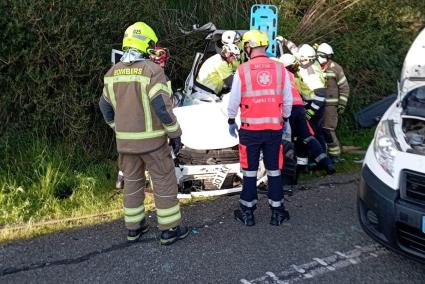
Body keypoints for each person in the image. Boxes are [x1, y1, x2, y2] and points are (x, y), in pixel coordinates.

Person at [99, 22, 189, 245]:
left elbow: (104, 106)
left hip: (125, 144)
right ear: (147, 44)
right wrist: (175, 133)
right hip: (152, 143)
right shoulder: (152, 70)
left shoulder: (112, 73)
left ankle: (134, 228)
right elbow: (161, 106)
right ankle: (169, 229)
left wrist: (116, 127)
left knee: (132, 182)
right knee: (163, 181)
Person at [227, 30, 293, 226]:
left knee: (249, 172)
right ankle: (277, 212)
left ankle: (247, 213)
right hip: (274, 129)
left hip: (250, 131)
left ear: (248, 47)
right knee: (274, 170)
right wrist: (286, 119)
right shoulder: (280, 68)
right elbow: (287, 99)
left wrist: (231, 120)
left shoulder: (243, 70)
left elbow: (234, 100)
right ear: (265, 46)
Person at [115, 46, 173, 190]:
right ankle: (148, 180)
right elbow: (166, 100)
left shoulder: (137, 73)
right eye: (161, 63)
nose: (163, 66)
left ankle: (123, 179)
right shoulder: (161, 77)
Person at [280, 54, 335, 177]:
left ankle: (290, 172)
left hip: (287, 108)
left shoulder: (279, 74)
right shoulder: (292, 76)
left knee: (287, 140)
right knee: (306, 137)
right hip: (300, 107)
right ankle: (326, 163)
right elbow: (303, 91)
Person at [316, 43, 350, 162]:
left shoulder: (336, 68)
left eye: (324, 56)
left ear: (329, 56)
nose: (321, 58)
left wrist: (342, 104)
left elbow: (344, 87)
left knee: (328, 130)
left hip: (331, 106)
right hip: (317, 105)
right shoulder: (315, 66)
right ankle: (321, 155)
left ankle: (335, 155)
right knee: (318, 130)